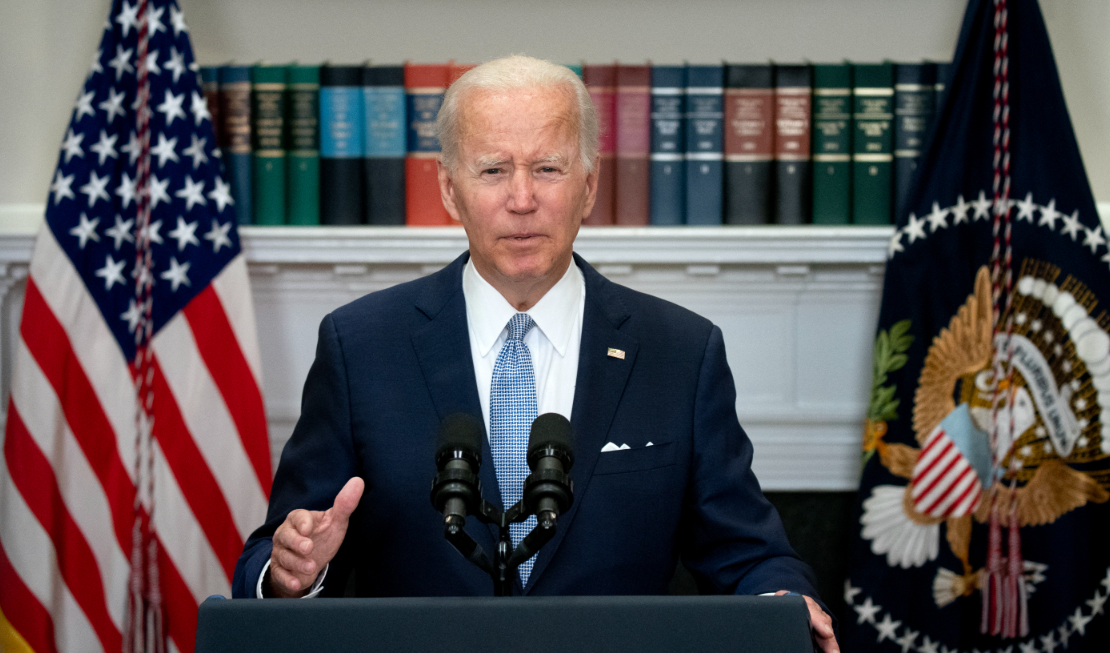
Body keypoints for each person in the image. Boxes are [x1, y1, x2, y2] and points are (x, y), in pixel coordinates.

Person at [232, 55, 839, 652]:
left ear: (589, 185)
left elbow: (750, 556)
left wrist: (782, 606)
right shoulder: (359, 346)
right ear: (449, 188)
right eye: (494, 170)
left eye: (547, 168)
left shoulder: (680, 351)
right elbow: (275, 553)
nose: (522, 199)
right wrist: (291, 571)